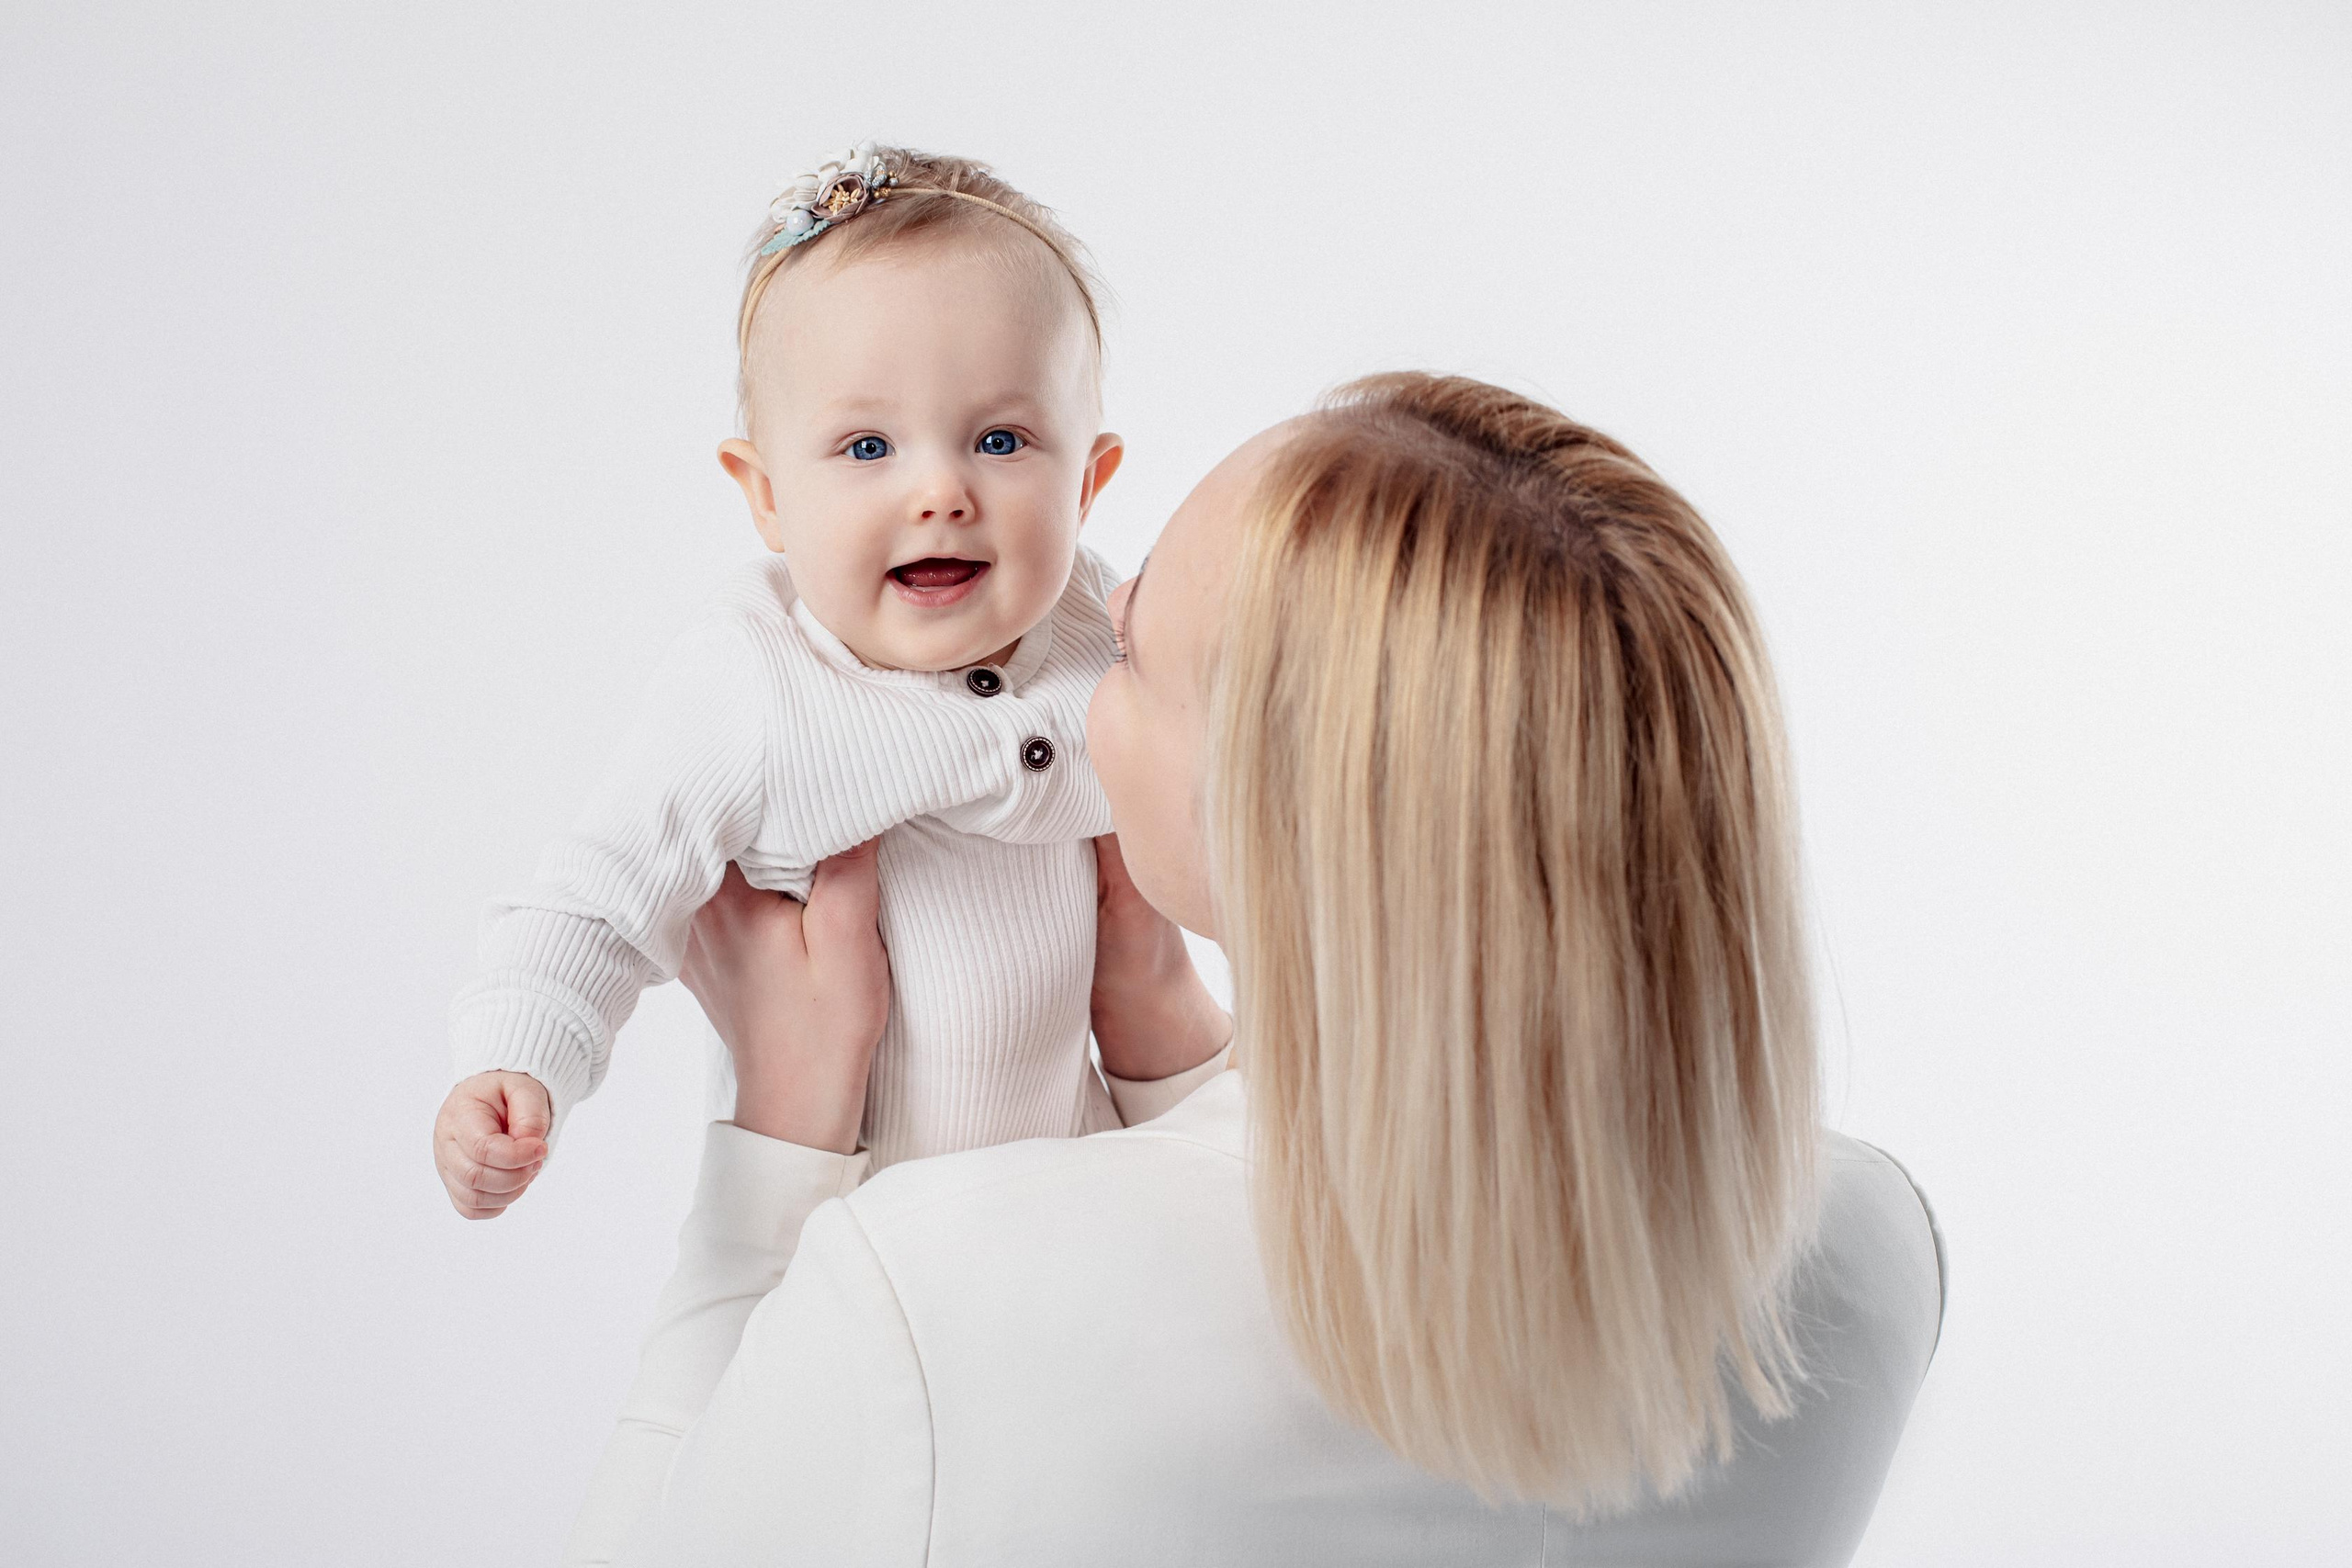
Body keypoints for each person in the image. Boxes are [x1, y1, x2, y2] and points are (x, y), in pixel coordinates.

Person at [576, 374, 1946, 1564]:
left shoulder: (926, 1295)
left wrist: (775, 1148)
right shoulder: (1869, 1253)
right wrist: (1193, 1057)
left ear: (1280, 821)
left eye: (1126, 648)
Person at [430, 141, 1138, 1221]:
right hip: (837, 1230)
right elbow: (598, 898)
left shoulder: (1106, 621)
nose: (940, 489)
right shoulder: (754, 679)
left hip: (1080, 1199)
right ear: (765, 496)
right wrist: (514, 1063)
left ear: (1087, 482)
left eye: (1001, 438)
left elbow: (1250, 770)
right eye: (866, 448)